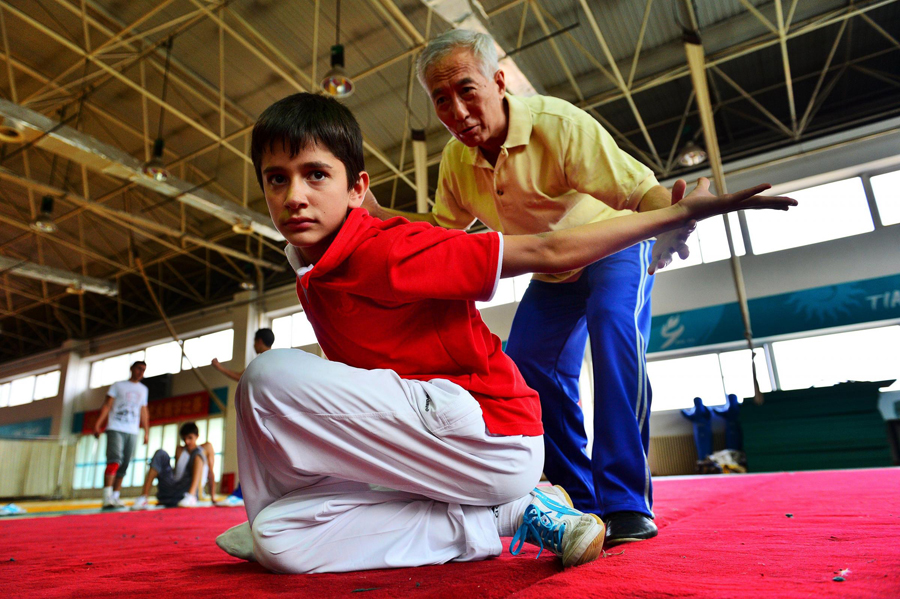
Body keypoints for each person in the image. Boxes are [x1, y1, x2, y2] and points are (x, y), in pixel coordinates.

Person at [214, 92, 794, 574]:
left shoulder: (389, 247)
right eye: (276, 179)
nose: (294, 196)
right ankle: (504, 518)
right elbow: (364, 360)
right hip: (444, 451)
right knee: (279, 541)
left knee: (268, 378)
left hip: (490, 433)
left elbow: (548, 248)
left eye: (316, 175)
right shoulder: (314, 274)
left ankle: (600, 495)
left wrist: (678, 213)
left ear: (357, 186)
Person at [364, 30, 692, 545]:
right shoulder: (456, 160)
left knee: (612, 333)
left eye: (467, 90)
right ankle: (580, 499)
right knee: (527, 367)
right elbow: (443, 233)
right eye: (441, 100)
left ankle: (627, 500)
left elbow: (640, 191)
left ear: (498, 82)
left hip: (613, 246)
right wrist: (382, 217)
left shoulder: (557, 125)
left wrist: (673, 220)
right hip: (552, 272)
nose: (457, 110)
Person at [210, 328, 275, 507]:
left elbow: (240, 377)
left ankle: (241, 493)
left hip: (261, 413)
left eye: (254, 341)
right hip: (274, 414)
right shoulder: (278, 359)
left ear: (259, 341)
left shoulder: (260, 360)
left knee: (251, 453)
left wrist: (219, 367)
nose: (254, 345)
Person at [93, 360, 149, 509]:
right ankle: (107, 496)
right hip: (116, 427)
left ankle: (116, 496)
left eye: (143, 370)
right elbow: (107, 405)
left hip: (132, 430)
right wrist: (98, 424)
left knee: (125, 463)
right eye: (138, 368)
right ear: (131, 369)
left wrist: (146, 431)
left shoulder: (143, 390)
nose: (141, 372)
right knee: (114, 459)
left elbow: (143, 411)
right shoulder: (118, 386)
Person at [131, 422, 212, 509]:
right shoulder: (180, 450)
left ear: (197, 436)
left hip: (187, 491)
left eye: (190, 438)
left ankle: (191, 497)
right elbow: (177, 474)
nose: (187, 442)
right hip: (172, 490)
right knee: (160, 453)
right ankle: (144, 497)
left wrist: (213, 497)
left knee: (198, 454)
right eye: (184, 439)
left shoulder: (203, 449)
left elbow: (210, 473)